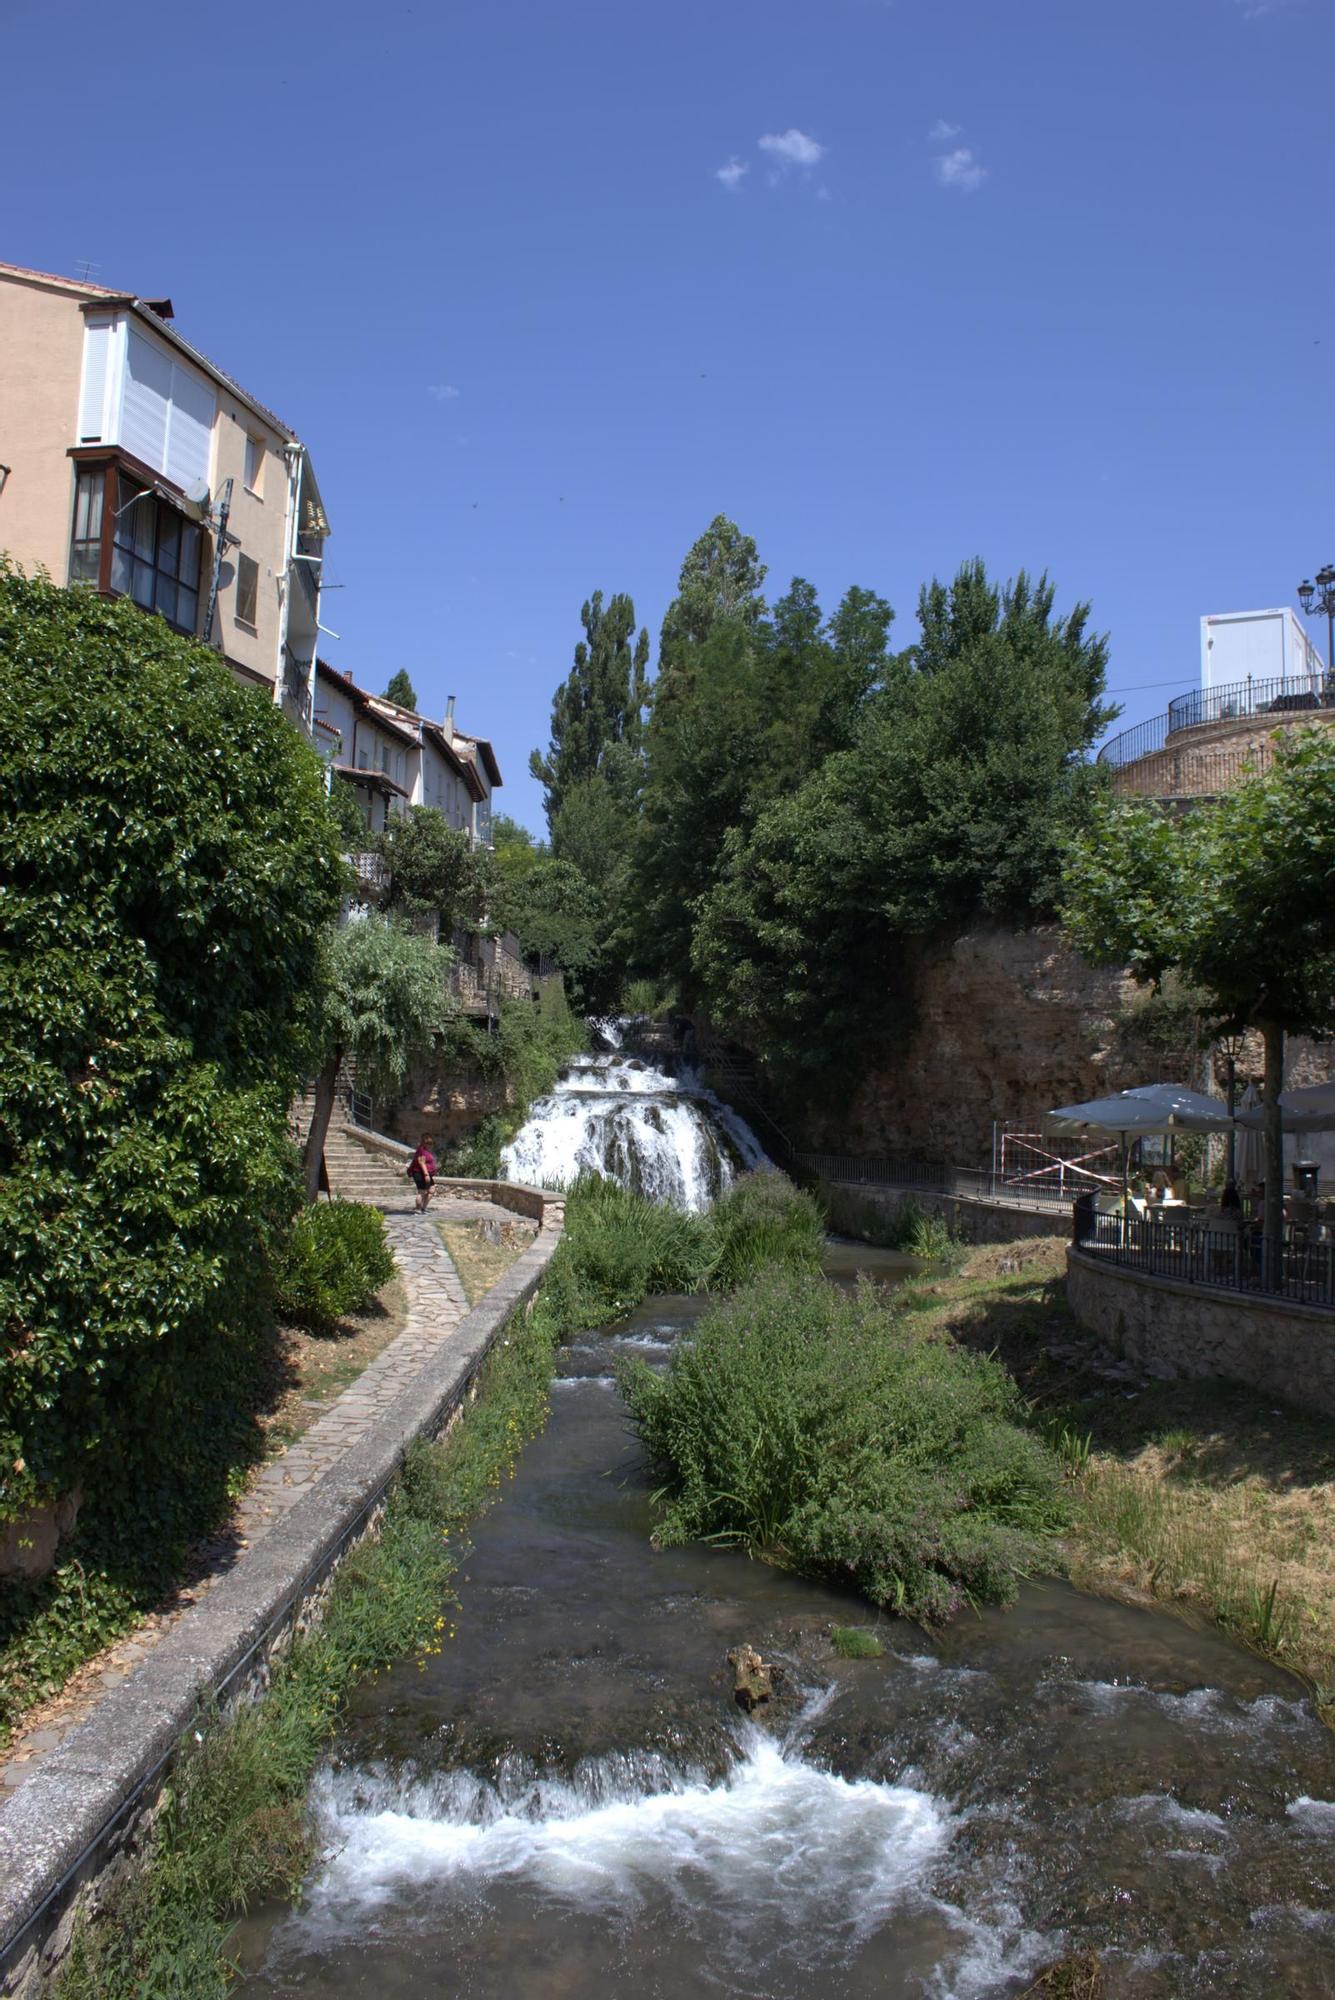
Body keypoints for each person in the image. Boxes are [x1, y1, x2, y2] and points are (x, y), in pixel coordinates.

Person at [407, 1135, 438, 1212]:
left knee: (432, 1189)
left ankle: (423, 1207)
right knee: (421, 1191)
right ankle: (418, 1209)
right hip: (420, 1173)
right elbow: (422, 1163)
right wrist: (426, 1174)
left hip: (425, 1173)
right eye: (428, 1143)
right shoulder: (421, 1151)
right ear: (424, 1143)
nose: (430, 1145)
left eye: (431, 1143)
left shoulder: (424, 1151)